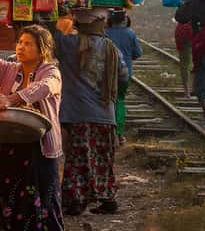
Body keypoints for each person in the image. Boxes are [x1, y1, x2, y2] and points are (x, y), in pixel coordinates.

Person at [54, 14, 128, 215]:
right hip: (105, 113)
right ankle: (107, 198)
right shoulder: (112, 49)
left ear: (79, 25)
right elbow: (124, 75)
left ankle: (75, 201)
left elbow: (52, 33)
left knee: (78, 158)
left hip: (78, 113)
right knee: (103, 158)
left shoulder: (70, 44)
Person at [0, 25, 64, 230]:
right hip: (10, 145)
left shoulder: (51, 72)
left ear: (41, 49)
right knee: (10, 198)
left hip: (40, 148)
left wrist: (11, 99)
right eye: (20, 42)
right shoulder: (10, 68)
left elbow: (43, 87)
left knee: (43, 199)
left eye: (28, 44)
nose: (21, 47)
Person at [105, 10, 143, 144]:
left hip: (106, 74)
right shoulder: (130, 33)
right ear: (124, 19)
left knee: (107, 101)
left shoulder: (105, 33)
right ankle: (119, 134)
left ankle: (108, 133)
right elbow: (138, 53)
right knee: (120, 101)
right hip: (124, 75)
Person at [162, 0, 193, 99]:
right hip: (197, 31)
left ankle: (187, 90)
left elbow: (166, 1)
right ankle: (197, 87)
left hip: (182, 31)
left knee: (184, 62)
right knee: (198, 61)